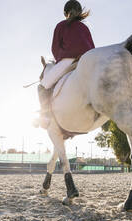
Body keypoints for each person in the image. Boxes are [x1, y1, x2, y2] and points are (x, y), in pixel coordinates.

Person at [37, 0, 95, 128]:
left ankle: (45, 117)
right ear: (80, 12)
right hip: (88, 61)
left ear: (65, 13)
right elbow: (92, 48)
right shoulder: (84, 27)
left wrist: (58, 61)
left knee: (42, 87)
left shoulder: (61, 25)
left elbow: (55, 48)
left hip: (68, 62)